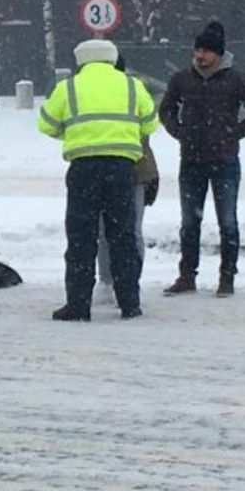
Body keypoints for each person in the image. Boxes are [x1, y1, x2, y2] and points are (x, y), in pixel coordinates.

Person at [38, 39, 159, 321]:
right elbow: (150, 123)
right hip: (122, 168)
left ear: (81, 60)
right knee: (123, 236)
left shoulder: (68, 87)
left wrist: (72, 133)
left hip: (83, 168)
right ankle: (130, 302)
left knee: (82, 237)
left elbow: (45, 123)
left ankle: (79, 304)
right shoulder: (132, 85)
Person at [159, 21, 245, 297]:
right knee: (189, 222)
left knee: (227, 221)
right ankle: (187, 276)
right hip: (191, 160)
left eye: (206, 51)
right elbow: (166, 111)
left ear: (219, 54)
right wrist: (180, 133)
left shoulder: (237, 79)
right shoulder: (182, 79)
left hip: (225, 161)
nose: (200, 56)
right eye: (198, 50)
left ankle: (227, 278)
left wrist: (232, 135)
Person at [95, 55, 160, 304]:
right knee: (126, 231)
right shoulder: (135, 91)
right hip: (134, 172)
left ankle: (118, 281)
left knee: (116, 230)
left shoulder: (128, 93)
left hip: (130, 172)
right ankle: (117, 281)